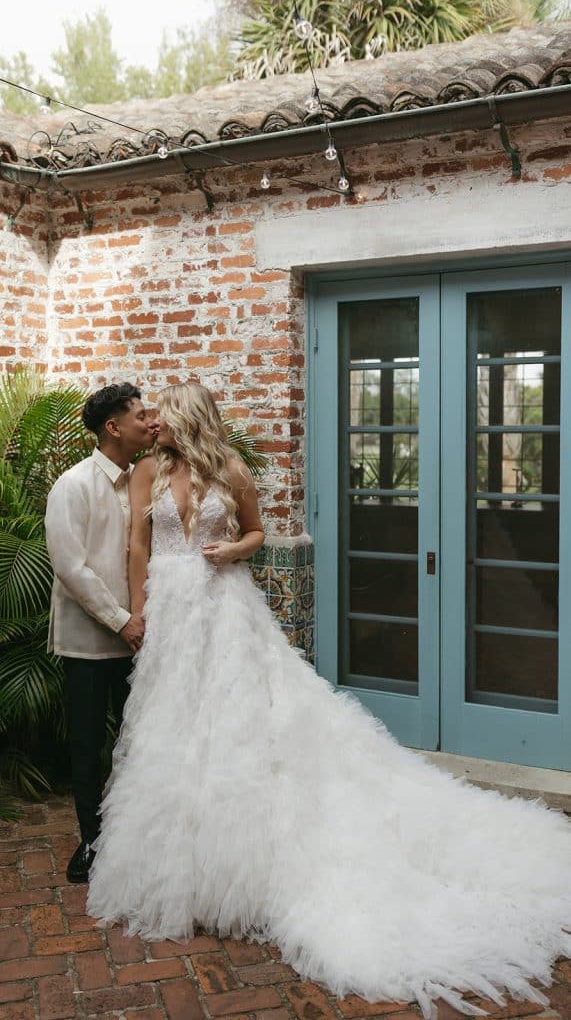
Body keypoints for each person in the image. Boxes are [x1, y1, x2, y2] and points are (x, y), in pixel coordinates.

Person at [87, 382, 571, 1018]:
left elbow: (258, 533)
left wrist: (234, 548)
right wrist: (139, 613)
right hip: (172, 617)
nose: (154, 424)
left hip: (225, 611)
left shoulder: (231, 468)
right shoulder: (150, 469)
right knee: (169, 732)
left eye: (164, 415)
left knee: (237, 728)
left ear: (189, 419)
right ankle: (180, 873)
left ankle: (244, 864)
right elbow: (138, 546)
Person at [45, 382, 155, 883]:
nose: (150, 422)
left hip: (141, 640)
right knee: (88, 748)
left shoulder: (144, 480)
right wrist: (121, 620)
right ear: (113, 427)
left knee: (137, 741)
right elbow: (71, 568)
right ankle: (90, 842)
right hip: (91, 643)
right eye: (140, 416)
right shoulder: (73, 485)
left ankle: (131, 839)